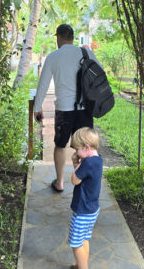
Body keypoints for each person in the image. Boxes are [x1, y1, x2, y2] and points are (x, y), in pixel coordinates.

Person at [33, 24, 102, 192]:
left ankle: (60, 183)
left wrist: (37, 107)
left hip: (64, 109)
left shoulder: (54, 56)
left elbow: (42, 85)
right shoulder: (86, 53)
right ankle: (86, 182)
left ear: (59, 37)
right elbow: (100, 74)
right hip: (85, 108)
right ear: (72, 37)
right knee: (87, 146)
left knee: (60, 145)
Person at [68, 127, 103, 269]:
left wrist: (76, 164)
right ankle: (81, 264)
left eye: (77, 150)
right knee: (84, 239)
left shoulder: (87, 163)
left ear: (86, 147)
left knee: (76, 244)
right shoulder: (98, 160)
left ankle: (83, 267)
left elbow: (75, 180)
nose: (76, 153)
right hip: (92, 209)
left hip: (82, 211)